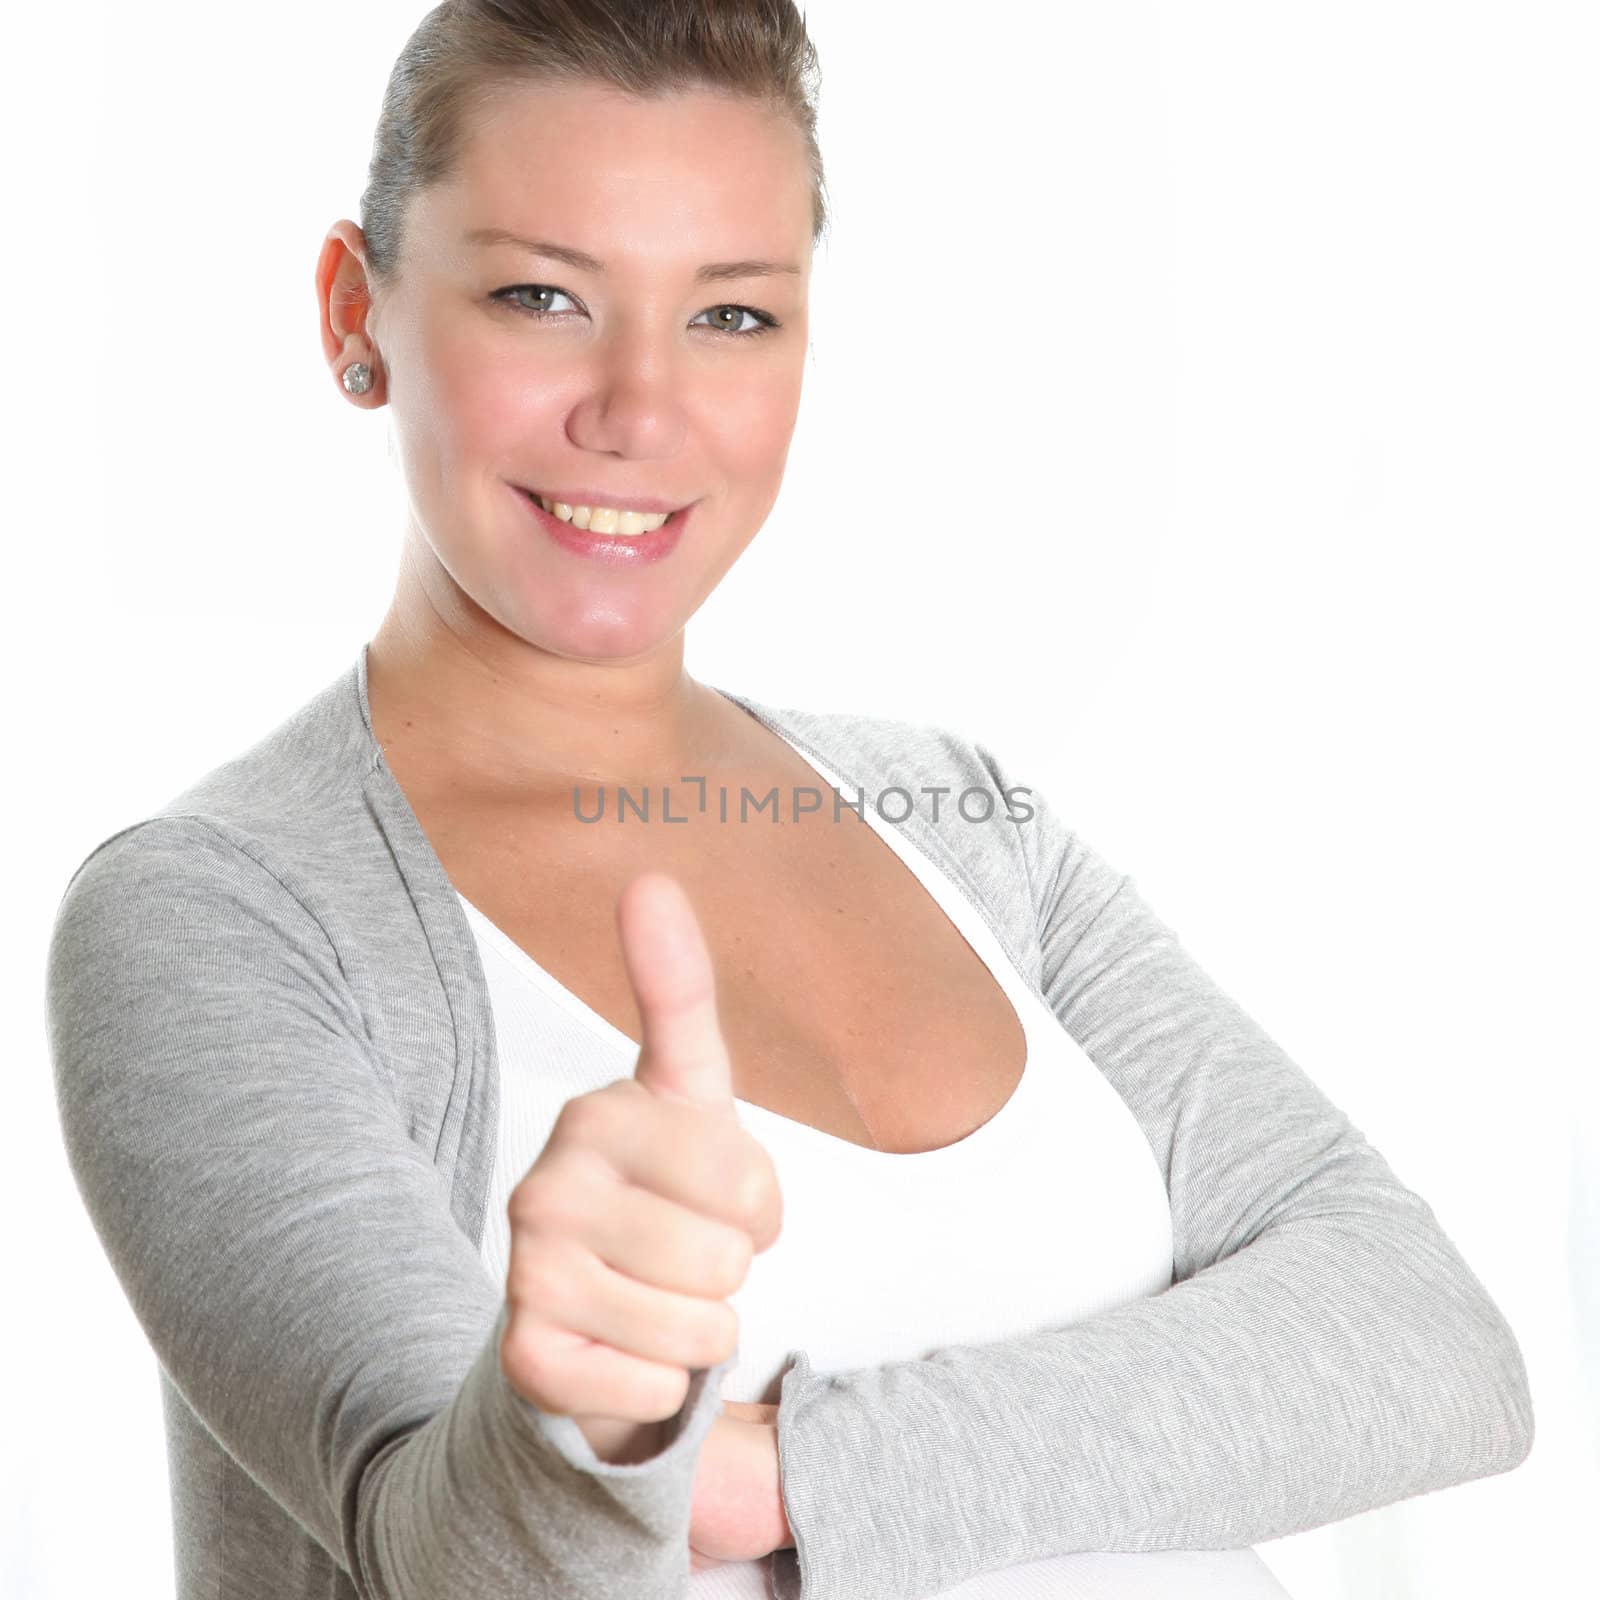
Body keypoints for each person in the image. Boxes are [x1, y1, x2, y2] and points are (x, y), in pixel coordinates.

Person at [44, 4, 1535, 1599]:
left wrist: (769, 1473)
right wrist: (587, 1427)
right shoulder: (222, 915)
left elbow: (1429, 1344)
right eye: (540, 295)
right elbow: (444, 1559)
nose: (640, 408)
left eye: (732, 318)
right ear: (359, 310)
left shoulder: (958, 817)